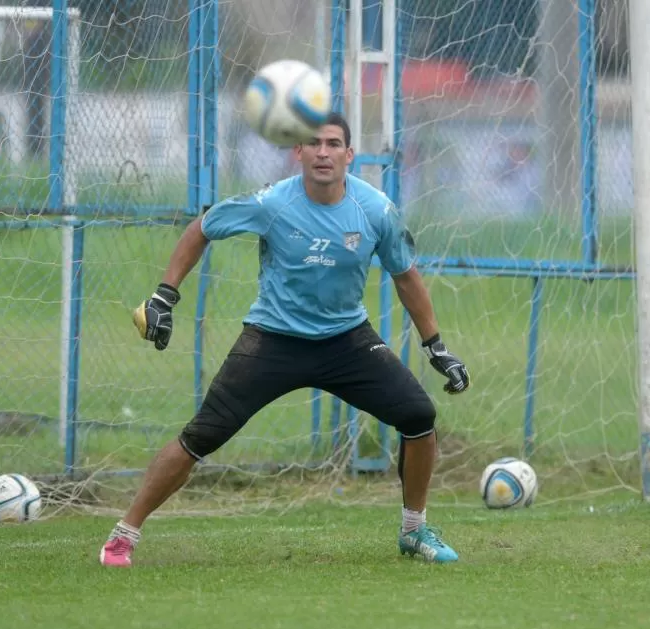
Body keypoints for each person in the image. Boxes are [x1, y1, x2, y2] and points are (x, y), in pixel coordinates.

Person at [101, 113, 470, 567]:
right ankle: (123, 534)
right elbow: (202, 227)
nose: (322, 152)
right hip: (273, 340)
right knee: (202, 435)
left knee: (419, 414)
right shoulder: (272, 202)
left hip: (346, 340)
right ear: (297, 152)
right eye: (312, 143)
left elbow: (406, 277)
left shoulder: (375, 210)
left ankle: (414, 531)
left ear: (349, 156)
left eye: (333, 144)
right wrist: (164, 295)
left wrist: (437, 347)